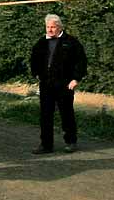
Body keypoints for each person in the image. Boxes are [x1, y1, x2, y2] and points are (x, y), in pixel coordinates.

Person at [29, 14, 87, 154]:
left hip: (65, 84)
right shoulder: (41, 42)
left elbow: (81, 62)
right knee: (45, 115)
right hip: (46, 84)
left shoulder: (71, 42)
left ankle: (71, 142)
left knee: (66, 113)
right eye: (48, 27)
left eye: (53, 27)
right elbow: (34, 58)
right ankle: (46, 145)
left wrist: (76, 79)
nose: (50, 30)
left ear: (59, 27)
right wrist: (36, 73)